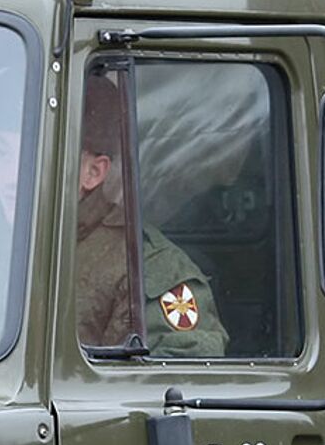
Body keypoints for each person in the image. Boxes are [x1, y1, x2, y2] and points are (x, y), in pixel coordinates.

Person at [72, 71, 227, 356]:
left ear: (93, 172)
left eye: (33, 157)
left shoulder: (145, 266)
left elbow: (185, 364)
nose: (11, 175)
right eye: (2, 150)